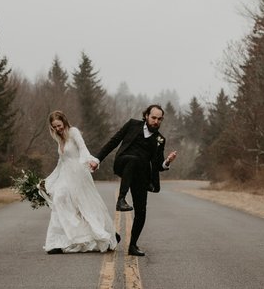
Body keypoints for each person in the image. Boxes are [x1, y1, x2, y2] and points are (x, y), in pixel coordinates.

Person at [91, 105, 177, 257]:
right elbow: (114, 141)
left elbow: (158, 165)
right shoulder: (132, 125)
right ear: (146, 116)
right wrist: (97, 159)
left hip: (141, 175)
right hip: (123, 163)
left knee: (141, 211)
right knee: (133, 160)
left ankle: (132, 245)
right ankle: (121, 199)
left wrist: (167, 162)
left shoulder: (160, 139)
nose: (156, 121)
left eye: (159, 119)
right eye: (153, 117)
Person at [40, 111, 119, 254]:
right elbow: (61, 161)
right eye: (54, 127)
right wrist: (48, 180)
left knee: (87, 205)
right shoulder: (59, 138)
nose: (57, 129)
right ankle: (57, 242)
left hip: (79, 174)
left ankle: (107, 232)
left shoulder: (74, 132)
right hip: (65, 175)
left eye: (59, 125)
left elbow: (83, 149)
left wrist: (88, 162)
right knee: (60, 200)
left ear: (64, 121)